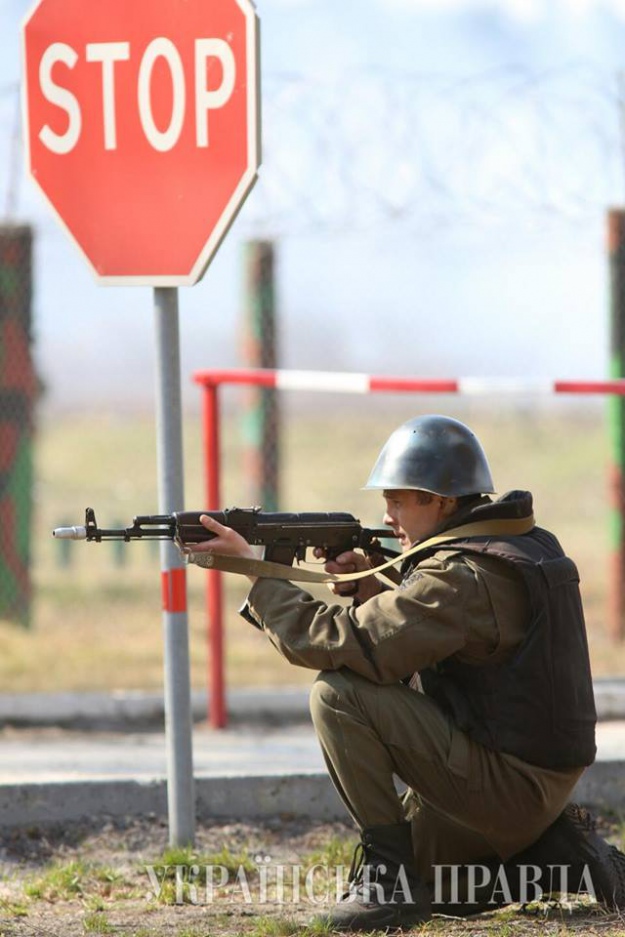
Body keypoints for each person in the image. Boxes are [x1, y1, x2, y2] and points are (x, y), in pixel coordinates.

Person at [190, 414, 625, 931]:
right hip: (533, 782)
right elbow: (445, 635)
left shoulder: (462, 577)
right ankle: (556, 853)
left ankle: (390, 888)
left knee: (338, 695)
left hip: (511, 786)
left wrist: (256, 573)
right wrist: (374, 589)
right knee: (429, 877)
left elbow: (343, 642)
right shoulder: (518, 546)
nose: (388, 514)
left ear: (440, 501)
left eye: (398, 501)